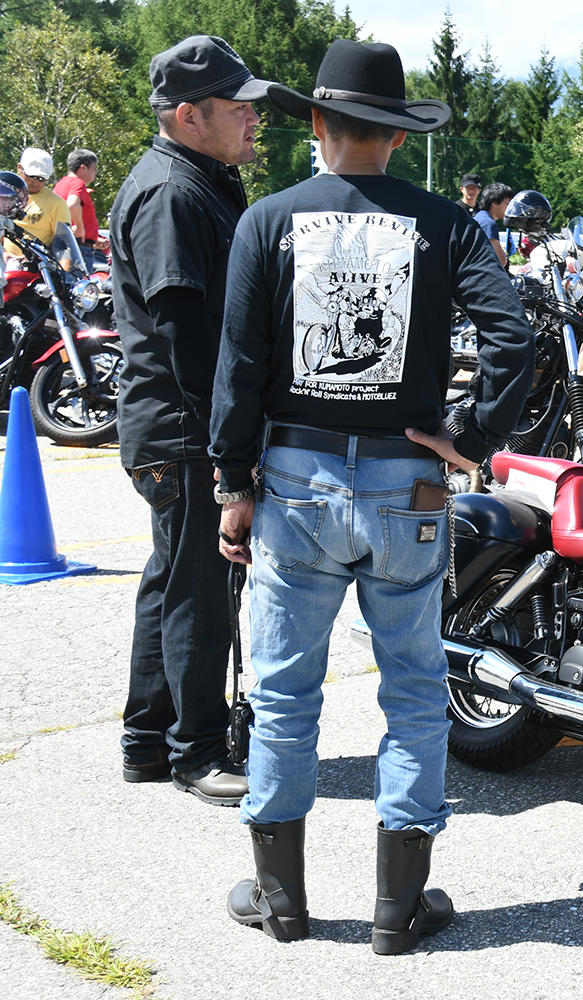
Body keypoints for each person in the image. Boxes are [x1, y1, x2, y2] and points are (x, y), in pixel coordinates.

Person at [209, 38, 535, 951]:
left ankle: (282, 902)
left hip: (298, 482)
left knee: (284, 696)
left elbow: (239, 370)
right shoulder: (446, 224)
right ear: (395, 135)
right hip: (409, 485)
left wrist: (235, 486)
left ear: (316, 125)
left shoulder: (267, 220)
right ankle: (399, 908)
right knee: (417, 693)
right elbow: (514, 337)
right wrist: (469, 441)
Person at [108, 36, 273, 806]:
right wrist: (228, 449)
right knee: (200, 591)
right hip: (184, 428)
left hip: (172, 427)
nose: (252, 120)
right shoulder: (174, 192)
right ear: (187, 115)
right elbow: (191, 337)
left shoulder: (199, 179)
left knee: (172, 583)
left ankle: (149, 739)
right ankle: (197, 749)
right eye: (237, 108)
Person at [4, 148, 70, 262]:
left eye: (41, 179)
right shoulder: (4, 194)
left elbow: (63, 242)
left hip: (35, 266)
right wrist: (4, 254)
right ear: (19, 168)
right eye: (31, 176)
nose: (35, 182)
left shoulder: (56, 203)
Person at [53, 149, 106, 270]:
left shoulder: (60, 184)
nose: (95, 172)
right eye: (94, 168)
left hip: (66, 245)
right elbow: (71, 204)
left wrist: (93, 239)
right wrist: (79, 227)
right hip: (77, 249)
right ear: (83, 168)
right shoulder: (77, 183)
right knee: (80, 285)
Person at [471, 181, 514, 262]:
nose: (511, 209)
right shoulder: (489, 223)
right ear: (494, 202)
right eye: (508, 204)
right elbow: (500, 261)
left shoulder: (480, 217)